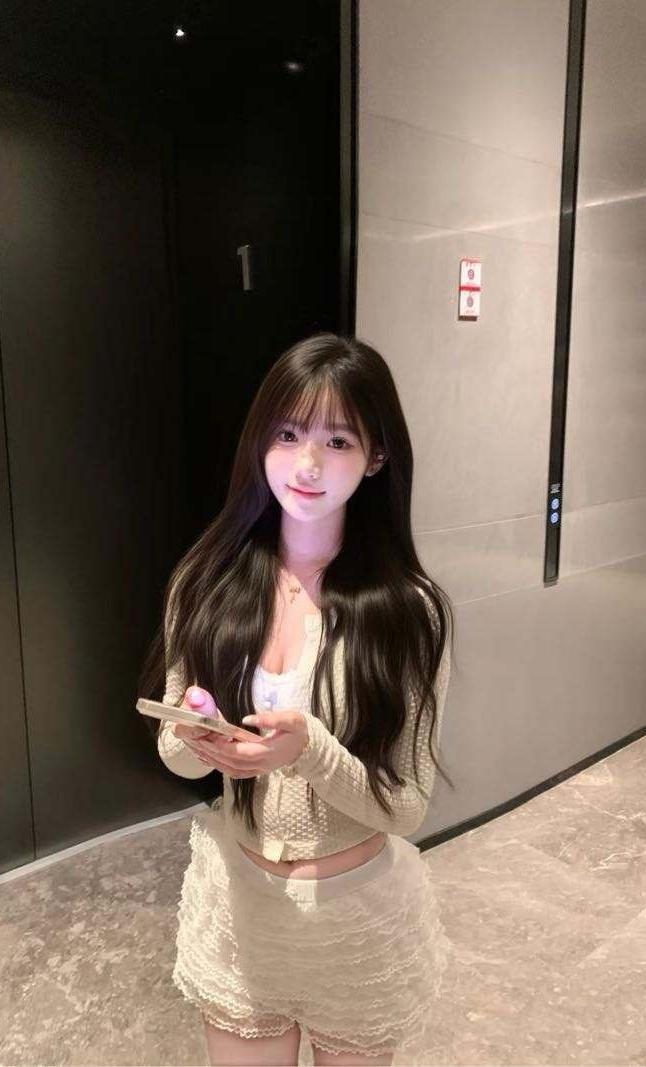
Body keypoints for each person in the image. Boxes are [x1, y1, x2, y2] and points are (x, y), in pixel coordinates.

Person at [137, 332, 456, 1066]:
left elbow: (407, 807)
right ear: (260, 442)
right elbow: (178, 759)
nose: (306, 464)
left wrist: (309, 749)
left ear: (376, 457)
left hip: (355, 924)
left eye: (337, 440)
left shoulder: (408, 612)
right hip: (241, 910)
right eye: (287, 434)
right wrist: (196, 737)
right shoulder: (206, 581)